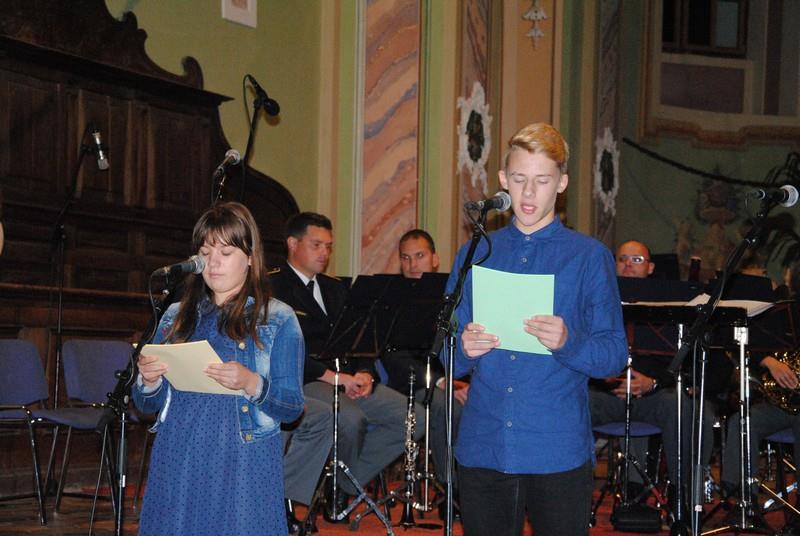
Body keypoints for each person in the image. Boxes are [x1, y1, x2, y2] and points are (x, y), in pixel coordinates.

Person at [448, 123, 628, 535]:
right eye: (519, 179)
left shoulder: (588, 257)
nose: (528, 193)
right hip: (485, 442)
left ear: (561, 183)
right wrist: (462, 348)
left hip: (555, 447)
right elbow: (444, 352)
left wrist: (569, 342)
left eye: (542, 181)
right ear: (502, 180)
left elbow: (614, 356)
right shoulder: (476, 252)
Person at [132, 201, 305, 536]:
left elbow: (292, 407)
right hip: (179, 450)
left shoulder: (278, 318)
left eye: (225, 252)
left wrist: (253, 383)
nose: (212, 263)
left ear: (250, 256)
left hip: (242, 457)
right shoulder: (175, 315)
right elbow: (146, 405)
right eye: (205, 253)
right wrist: (149, 381)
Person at [269, 211, 422, 520]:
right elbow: (280, 350)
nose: (324, 253)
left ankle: (341, 484)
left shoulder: (335, 287)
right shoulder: (272, 285)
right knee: (350, 420)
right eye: (316, 245)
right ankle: (321, 489)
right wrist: (333, 377)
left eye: (328, 246)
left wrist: (364, 372)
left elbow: (361, 336)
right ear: (292, 244)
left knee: (413, 418)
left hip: (348, 377)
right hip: (308, 379)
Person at [591, 240, 697, 504]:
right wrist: (601, 373)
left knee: (678, 405)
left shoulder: (670, 306)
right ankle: (571, 493)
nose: (628, 264)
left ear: (650, 268)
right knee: (571, 401)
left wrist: (653, 383)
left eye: (636, 260)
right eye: (622, 259)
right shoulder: (595, 299)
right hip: (607, 395)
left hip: (652, 396)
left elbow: (681, 362)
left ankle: (681, 495)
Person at [380, 229, 468, 516]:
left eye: (419, 256)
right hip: (411, 383)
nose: (412, 264)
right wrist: (441, 381)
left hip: (452, 378)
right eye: (406, 258)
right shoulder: (391, 298)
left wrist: (467, 382)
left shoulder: (452, 295)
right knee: (446, 406)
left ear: (435, 259)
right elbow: (392, 356)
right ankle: (451, 489)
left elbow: (465, 343)